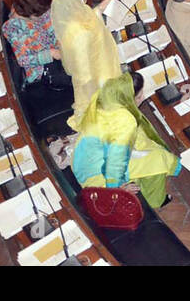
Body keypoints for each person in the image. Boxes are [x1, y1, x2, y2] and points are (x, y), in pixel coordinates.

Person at [71, 70, 180, 208]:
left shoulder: (107, 96)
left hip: (83, 161)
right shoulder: (125, 120)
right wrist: (116, 189)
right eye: (139, 96)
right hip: (96, 175)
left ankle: (139, 184)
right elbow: (115, 163)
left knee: (149, 150)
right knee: (159, 159)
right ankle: (155, 201)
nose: (143, 98)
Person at [2, 0, 72, 92]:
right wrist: (51, 54)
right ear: (32, 15)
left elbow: (48, 23)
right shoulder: (13, 28)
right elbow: (22, 60)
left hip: (56, 51)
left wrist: (58, 39)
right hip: (43, 69)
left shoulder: (30, 7)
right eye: (40, 15)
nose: (44, 15)